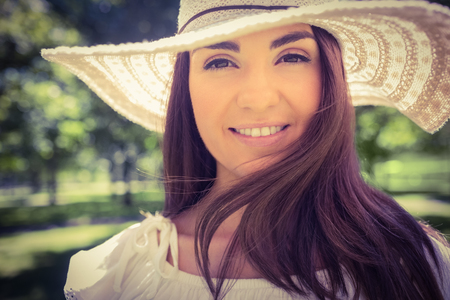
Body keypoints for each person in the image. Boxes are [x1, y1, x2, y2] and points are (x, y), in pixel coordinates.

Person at [42, 0, 450, 299]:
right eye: (219, 61)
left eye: (291, 56)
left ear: (331, 78)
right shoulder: (117, 274)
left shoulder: (412, 263)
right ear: (186, 90)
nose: (257, 99)